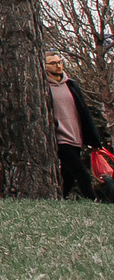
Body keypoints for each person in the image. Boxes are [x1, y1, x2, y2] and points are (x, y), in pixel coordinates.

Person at [45, 54, 104, 199]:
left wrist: (94, 140)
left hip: (75, 136)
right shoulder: (43, 88)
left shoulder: (71, 84)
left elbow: (84, 113)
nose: (58, 65)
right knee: (82, 173)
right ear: (45, 66)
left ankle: (60, 200)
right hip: (59, 138)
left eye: (59, 62)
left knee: (68, 176)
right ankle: (93, 200)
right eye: (53, 63)